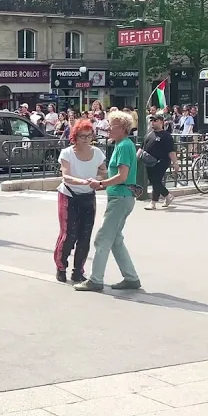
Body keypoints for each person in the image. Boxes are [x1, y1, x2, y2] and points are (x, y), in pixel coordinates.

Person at [75, 111, 141, 292]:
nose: (108, 128)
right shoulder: (124, 144)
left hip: (120, 197)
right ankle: (131, 277)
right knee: (115, 239)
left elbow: (122, 176)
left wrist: (101, 183)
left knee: (103, 238)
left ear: (123, 128)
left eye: (112, 126)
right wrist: (102, 183)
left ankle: (96, 279)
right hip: (122, 196)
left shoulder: (123, 146)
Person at [54, 118, 105, 284]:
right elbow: (66, 176)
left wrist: (99, 179)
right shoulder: (67, 153)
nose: (86, 139)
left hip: (88, 196)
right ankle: (61, 268)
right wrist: (83, 181)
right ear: (75, 137)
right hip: (69, 195)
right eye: (83, 136)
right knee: (69, 234)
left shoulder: (97, 153)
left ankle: (78, 271)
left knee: (85, 236)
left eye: (89, 136)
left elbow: (103, 171)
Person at [142, 114, 177, 209]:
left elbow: (171, 151)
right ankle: (167, 196)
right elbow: (142, 148)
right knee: (153, 181)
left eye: (155, 120)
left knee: (155, 180)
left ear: (161, 122)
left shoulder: (166, 135)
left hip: (162, 161)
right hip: (149, 161)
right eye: (152, 121)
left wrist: (175, 163)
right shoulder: (149, 134)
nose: (153, 122)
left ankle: (153, 202)